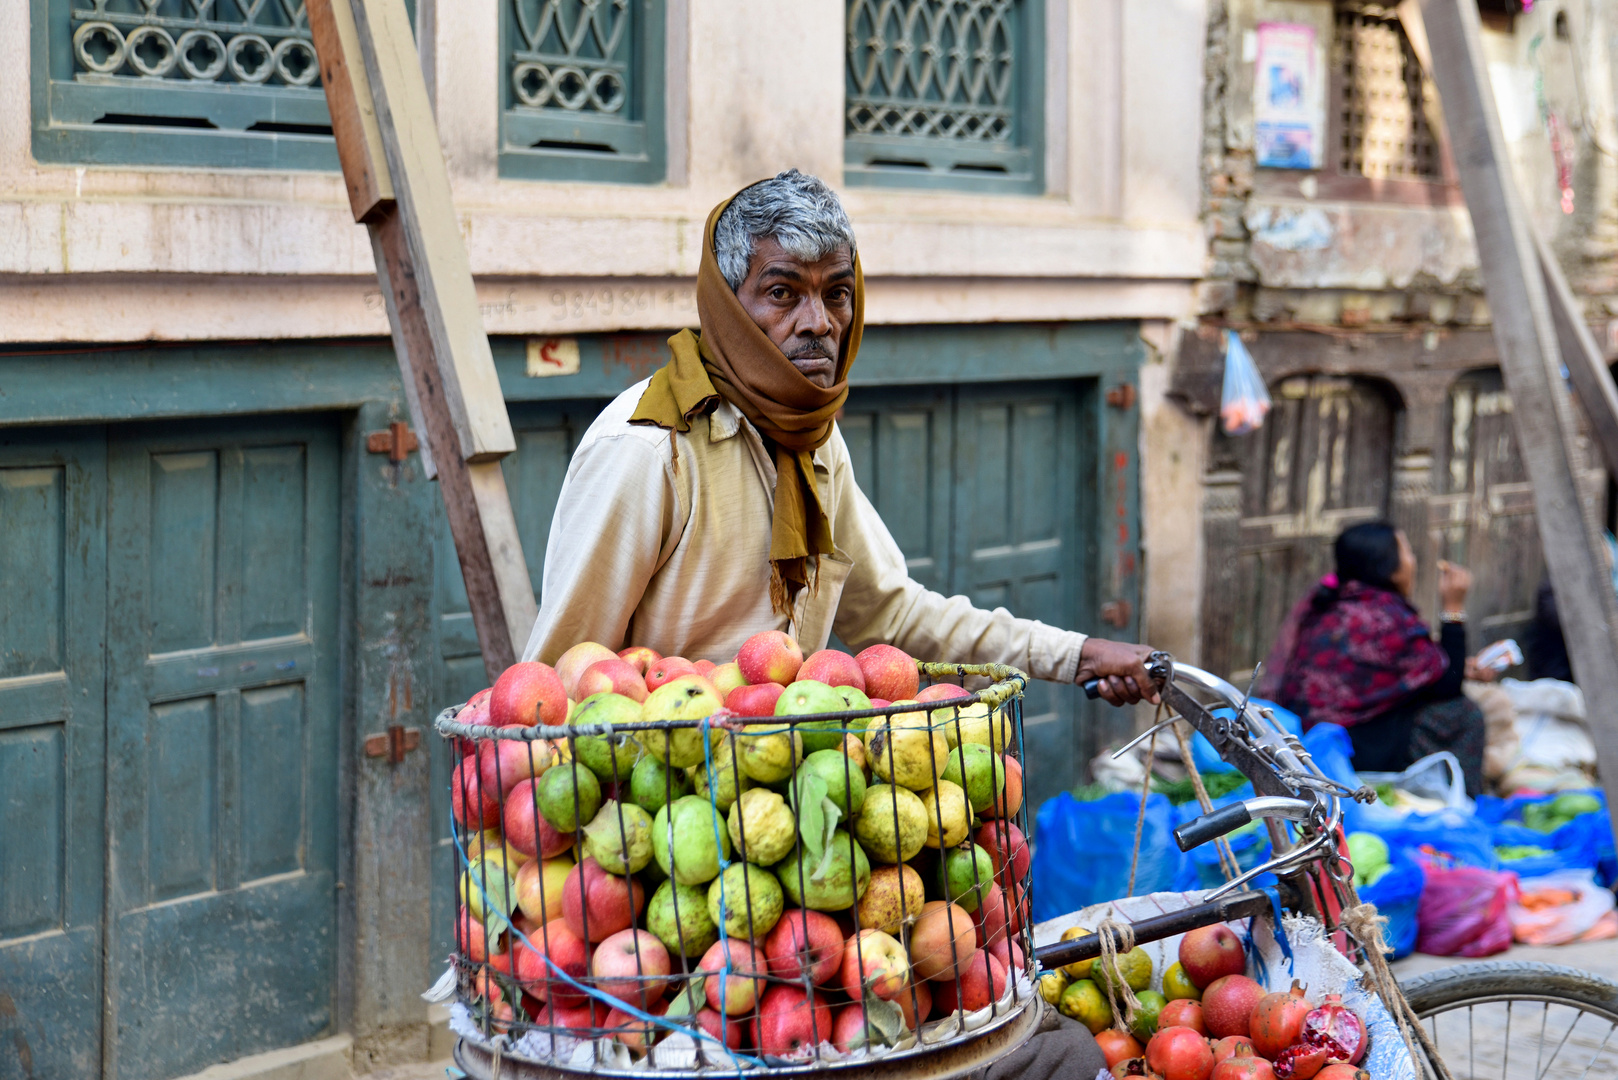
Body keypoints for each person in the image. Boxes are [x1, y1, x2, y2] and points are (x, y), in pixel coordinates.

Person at [522, 170, 1157, 710]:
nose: (819, 323)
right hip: (661, 806)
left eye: (837, 294)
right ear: (728, 306)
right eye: (782, 293)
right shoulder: (648, 447)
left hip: (784, 791)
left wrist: (1076, 654)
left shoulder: (814, 443)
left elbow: (892, 617)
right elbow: (561, 680)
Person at [1259, 521, 1490, 795]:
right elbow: (1448, 686)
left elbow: (1407, 676)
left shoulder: (1335, 602)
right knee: (1463, 714)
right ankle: (1463, 803)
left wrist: (1460, 666)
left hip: (1308, 737)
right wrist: (1453, 609)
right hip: (1347, 745)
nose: (1412, 562)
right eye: (1407, 553)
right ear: (1388, 566)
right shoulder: (1383, 617)